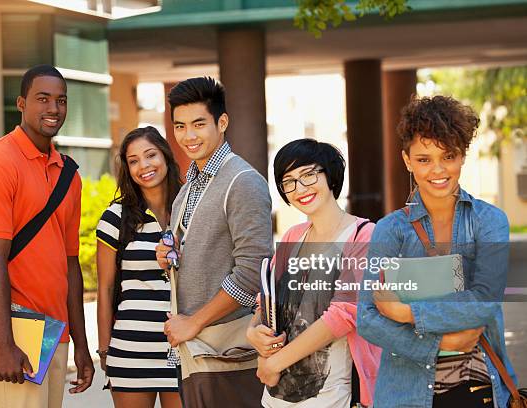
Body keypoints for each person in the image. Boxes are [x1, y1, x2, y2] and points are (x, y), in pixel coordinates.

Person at [357, 95, 517, 407]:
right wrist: (442, 341)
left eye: (448, 156)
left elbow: (483, 302)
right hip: (406, 393)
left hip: (478, 387)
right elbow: (368, 318)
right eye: (423, 159)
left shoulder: (490, 222)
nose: (437, 170)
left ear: (462, 156)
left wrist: (407, 313)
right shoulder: (391, 230)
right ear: (406, 161)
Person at [0, 64, 94, 408]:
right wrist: (4, 344)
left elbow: (71, 264)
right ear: (21, 103)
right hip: (18, 326)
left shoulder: (68, 174)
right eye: (43, 99)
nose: (54, 109)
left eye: (61, 100)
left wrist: (81, 344)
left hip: (58, 332)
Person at [155, 76, 273, 407]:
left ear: (222, 122)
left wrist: (193, 323)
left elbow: (252, 273)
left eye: (198, 124)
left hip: (229, 352)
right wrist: (168, 257)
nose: (188, 136)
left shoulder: (243, 182)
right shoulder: (187, 187)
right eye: (180, 126)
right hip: (194, 350)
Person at [247, 139, 381, 408]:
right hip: (276, 398)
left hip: (336, 399)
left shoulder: (364, 236)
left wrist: (274, 363)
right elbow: (268, 300)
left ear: (330, 175)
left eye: (309, 175)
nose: (300, 188)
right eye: (289, 181)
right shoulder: (293, 237)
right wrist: (252, 333)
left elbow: (343, 316)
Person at [96, 126, 182, 408]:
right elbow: (106, 288)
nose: (143, 166)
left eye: (150, 155)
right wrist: (105, 351)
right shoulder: (115, 217)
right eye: (133, 161)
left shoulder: (190, 209)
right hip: (131, 349)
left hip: (184, 348)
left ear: (165, 156)